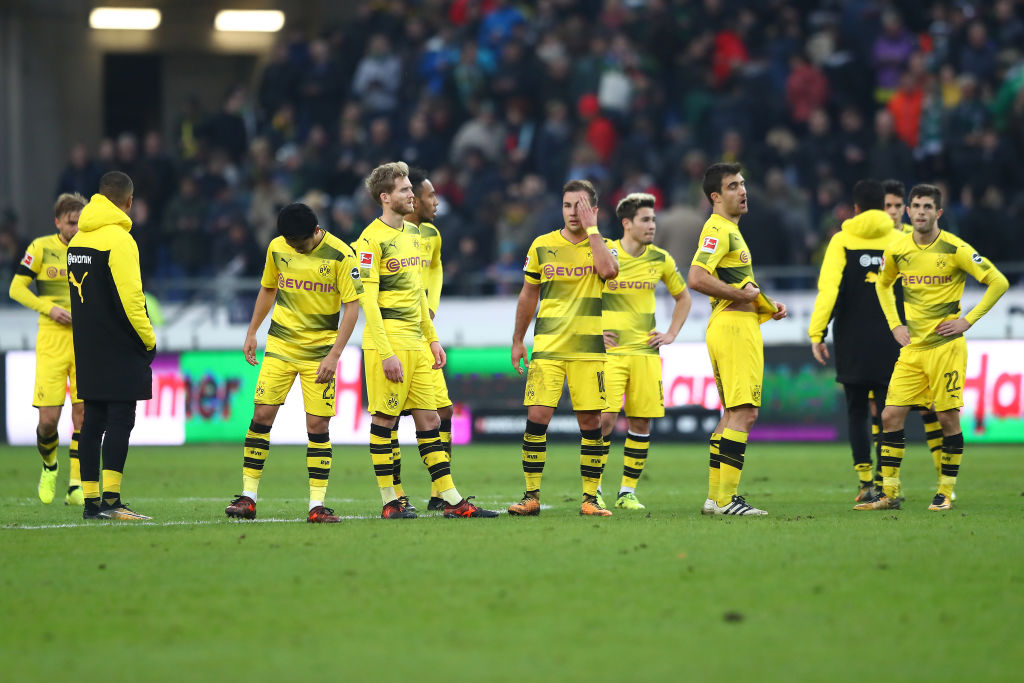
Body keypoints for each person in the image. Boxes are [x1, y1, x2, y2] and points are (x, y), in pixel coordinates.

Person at [354, 161, 496, 519]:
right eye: (404, 190)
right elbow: (367, 301)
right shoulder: (370, 240)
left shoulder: (414, 236)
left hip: (417, 341)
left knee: (430, 420)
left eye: (410, 189)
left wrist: (432, 339)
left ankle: (451, 500)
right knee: (385, 421)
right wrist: (385, 352)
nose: (411, 196)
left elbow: (418, 292)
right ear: (385, 197)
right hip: (388, 340)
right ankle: (390, 501)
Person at [856, 184, 1007, 511]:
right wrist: (895, 324)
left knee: (947, 418)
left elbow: (999, 281)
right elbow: (883, 284)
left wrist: (968, 320)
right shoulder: (897, 250)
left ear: (938, 212)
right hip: (913, 350)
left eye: (927, 206)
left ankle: (944, 492)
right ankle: (889, 494)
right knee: (890, 415)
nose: (920, 212)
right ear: (908, 211)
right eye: (916, 206)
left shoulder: (955, 248)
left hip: (946, 348)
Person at [224, 203, 363, 523]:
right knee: (261, 416)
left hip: (320, 353)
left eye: (299, 243)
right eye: (289, 242)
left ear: (315, 232)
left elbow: (352, 308)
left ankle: (317, 505)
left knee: (318, 426)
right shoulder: (278, 247)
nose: (294, 247)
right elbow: (268, 288)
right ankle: (248, 497)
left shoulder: (341, 256)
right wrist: (252, 332)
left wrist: (334, 355)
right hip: (281, 346)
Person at [508, 179, 620, 517]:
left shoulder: (605, 245)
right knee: (537, 418)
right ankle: (531, 496)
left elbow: (609, 271)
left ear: (594, 210)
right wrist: (517, 340)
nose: (573, 212)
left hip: (588, 350)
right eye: (568, 205)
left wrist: (592, 229)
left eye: (581, 206)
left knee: (591, 421)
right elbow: (528, 294)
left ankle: (590, 499)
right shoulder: (542, 245)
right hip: (548, 347)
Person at [687, 162, 787, 517]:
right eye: (733, 186)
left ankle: (715, 498)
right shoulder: (718, 229)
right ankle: (727, 499)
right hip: (733, 328)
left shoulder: (729, 230)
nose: (742, 191)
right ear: (715, 196)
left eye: (742, 184)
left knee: (731, 413)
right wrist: (740, 296)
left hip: (730, 325)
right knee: (745, 412)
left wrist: (765, 303)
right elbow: (696, 277)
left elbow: (739, 283)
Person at [809, 179, 909, 501]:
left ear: (855, 208)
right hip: (892, 338)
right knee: (889, 413)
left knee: (856, 412)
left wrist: (817, 332)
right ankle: (887, 482)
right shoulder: (900, 240)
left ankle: (865, 483)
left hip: (851, 339)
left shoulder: (841, 240)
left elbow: (829, 290)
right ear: (883, 206)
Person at [66, 172, 155, 520]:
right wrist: (148, 339)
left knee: (92, 421)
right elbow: (131, 300)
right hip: (119, 344)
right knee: (120, 418)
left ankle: (91, 503)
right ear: (128, 202)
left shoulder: (77, 240)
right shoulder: (120, 240)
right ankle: (112, 501)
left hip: (86, 344)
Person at [598, 192, 691, 510]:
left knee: (640, 423)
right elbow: (578, 294)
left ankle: (627, 493)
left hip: (646, 353)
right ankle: (593, 490)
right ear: (627, 223)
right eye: (646, 220)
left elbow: (684, 297)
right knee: (604, 419)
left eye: (653, 219)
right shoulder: (606, 253)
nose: (652, 225)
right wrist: (592, 331)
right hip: (609, 353)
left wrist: (671, 333)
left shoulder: (660, 259)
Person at [9, 193, 87, 506]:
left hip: (85, 342)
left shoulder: (90, 250)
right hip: (52, 342)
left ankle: (76, 485)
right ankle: (50, 465)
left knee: (83, 415)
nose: (76, 228)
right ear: (58, 222)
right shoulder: (40, 248)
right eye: (71, 223)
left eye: (80, 222)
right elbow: (16, 288)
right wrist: (49, 308)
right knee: (47, 422)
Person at [388, 166, 453, 512]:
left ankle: (440, 492)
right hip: (395, 337)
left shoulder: (431, 235)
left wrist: (431, 308)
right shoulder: (387, 237)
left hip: (422, 334)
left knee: (443, 411)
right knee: (390, 418)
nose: (435, 201)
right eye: (430, 195)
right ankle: (395, 494)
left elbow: (436, 267)